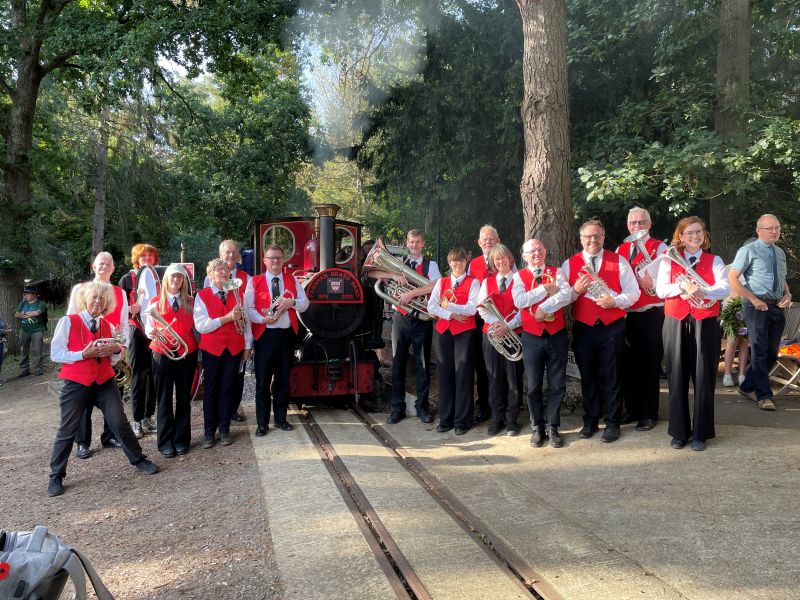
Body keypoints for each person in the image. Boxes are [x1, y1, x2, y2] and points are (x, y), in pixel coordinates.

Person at [47, 281, 158, 497]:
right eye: (94, 297)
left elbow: (115, 358)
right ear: (85, 300)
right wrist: (82, 354)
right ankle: (56, 476)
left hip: (104, 380)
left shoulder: (107, 325)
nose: (98, 302)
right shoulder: (68, 321)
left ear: (107, 304)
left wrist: (115, 350)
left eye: (102, 299)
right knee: (67, 429)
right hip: (76, 382)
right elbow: (55, 353)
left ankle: (139, 460)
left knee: (119, 422)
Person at [656, 216, 730, 451]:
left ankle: (701, 433)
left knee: (704, 378)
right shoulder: (668, 260)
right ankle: (679, 432)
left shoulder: (714, 260)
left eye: (698, 232)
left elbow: (724, 288)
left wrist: (701, 290)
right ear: (681, 236)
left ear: (704, 235)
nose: (695, 236)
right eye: (689, 233)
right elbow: (660, 290)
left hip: (704, 322)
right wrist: (682, 286)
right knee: (676, 376)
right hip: (675, 321)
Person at [565, 219, 640, 443]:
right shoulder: (569, 264)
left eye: (597, 235)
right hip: (584, 328)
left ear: (603, 237)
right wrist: (574, 291)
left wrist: (615, 301)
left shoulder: (619, 261)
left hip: (612, 327)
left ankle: (613, 423)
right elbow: (562, 298)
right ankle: (590, 420)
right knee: (587, 376)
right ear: (581, 239)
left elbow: (634, 293)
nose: (593, 240)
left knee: (612, 376)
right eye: (588, 236)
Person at [372, 230, 441, 425]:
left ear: (423, 243)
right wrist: (393, 275)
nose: (414, 245)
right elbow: (371, 272)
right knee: (398, 364)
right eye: (411, 242)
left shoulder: (431, 265)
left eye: (418, 242)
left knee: (422, 365)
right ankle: (397, 408)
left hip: (422, 318)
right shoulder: (398, 262)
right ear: (407, 243)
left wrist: (412, 293)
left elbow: (437, 285)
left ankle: (422, 407)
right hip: (401, 318)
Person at [728, 214, 792, 411]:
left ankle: (747, 386)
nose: (774, 231)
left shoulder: (780, 252)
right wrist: (753, 299)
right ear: (758, 231)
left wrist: (788, 293)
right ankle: (764, 395)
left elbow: (781, 277)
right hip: (756, 306)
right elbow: (733, 278)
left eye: (777, 228)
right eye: (769, 228)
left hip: (776, 306)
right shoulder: (748, 250)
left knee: (772, 353)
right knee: (760, 351)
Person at [69, 252, 129, 458]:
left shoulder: (120, 293)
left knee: (114, 398)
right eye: (101, 263)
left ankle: (110, 436)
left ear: (113, 268)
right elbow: (71, 319)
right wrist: (78, 351)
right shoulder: (80, 289)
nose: (104, 267)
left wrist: (121, 348)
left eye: (108, 264)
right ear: (94, 267)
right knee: (83, 399)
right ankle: (82, 442)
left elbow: (124, 324)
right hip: (86, 351)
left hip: (111, 352)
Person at [513, 239, 572, 448]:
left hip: (556, 335)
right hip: (532, 336)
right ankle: (537, 427)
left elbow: (567, 295)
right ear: (524, 256)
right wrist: (545, 288)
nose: (536, 253)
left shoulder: (557, 272)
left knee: (557, 384)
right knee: (533, 386)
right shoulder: (518, 276)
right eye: (531, 251)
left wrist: (544, 306)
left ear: (545, 251)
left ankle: (552, 427)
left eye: (539, 249)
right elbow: (519, 301)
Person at [245, 244, 309, 435]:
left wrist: (291, 302)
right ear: (265, 261)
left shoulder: (292, 279)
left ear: (283, 261)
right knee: (262, 382)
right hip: (265, 336)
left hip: (286, 336)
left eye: (279, 258)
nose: (275, 261)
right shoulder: (254, 281)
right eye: (271, 258)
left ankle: (281, 419)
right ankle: (262, 423)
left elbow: (305, 304)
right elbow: (249, 310)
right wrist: (262, 319)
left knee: (283, 380)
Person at [615, 207, 668, 432]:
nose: (637, 226)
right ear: (628, 226)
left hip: (651, 313)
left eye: (641, 222)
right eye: (633, 223)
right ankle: (633, 409)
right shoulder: (621, 249)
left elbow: (667, 279)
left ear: (650, 223)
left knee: (649, 365)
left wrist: (651, 284)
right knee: (628, 365)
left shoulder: (660, 247)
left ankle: (648, 413)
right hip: (627, 314)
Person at [194, 258, 252, 448]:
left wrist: (248, 346)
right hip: (212, 349)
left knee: (228, 389)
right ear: (210, 274)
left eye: (226, 269)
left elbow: (246, 322)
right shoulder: (202, 295)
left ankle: (225, 429)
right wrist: (226, 318)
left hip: (234, 348)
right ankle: (209, 433)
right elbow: (201, 326)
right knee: (211, 390)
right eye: (219, 270)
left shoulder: (238, 293)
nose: (224, 272)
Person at [144, 265, 198, 457]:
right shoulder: (155, 302)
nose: (176, 280)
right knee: (164, 398)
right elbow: (148, 327)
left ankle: (182, 439)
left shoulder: (191, 301)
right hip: (162, 352)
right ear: (166, 279)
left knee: (183, 397)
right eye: (173, 277)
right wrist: (150, 332)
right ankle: (165, 441)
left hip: (187, 352)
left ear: (183, 281)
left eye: (180, 277)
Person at [427, 247, 479, 435]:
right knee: (445, 375)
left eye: (461, 260)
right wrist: (450, 314)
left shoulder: (474, 282)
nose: (458, 263)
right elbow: (431, 307)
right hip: (444, 333)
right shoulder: (442, 282)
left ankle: (462, 422)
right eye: (454, 260)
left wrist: (449, 305)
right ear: (449, 263)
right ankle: (446, 419)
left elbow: (473, 308)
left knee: (463, 375)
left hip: (465, 334)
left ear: (466, 262)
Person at [477, 244, 524, 436]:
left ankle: (512, 419)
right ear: (493, 263)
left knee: (513, 378)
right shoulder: (486, 282)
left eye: (504, 258)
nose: (500, 261)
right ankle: (497, 418)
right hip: (492, 335)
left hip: (514, 334)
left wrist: (508, 326)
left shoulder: (520, 279)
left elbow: (523, 309)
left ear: (510, 260)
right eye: (496, 259)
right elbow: (481, 308)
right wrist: (498, 324)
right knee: (494, 376)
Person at [204, 239, 251, 423]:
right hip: (217, 337)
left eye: (233, 252)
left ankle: (232, 409)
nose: (230, 255)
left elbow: (248, 311)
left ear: (238, 255)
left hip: (237, 336)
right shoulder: (210, 278)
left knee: (238, 375)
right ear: (220, 255)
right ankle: (218, 414)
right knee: (217, 380)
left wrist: (248, 343)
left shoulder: (246, 278)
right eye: (226, 252)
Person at [118, 243, 160, 438]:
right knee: (138, 375)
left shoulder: (159, 277)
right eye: (143, 256)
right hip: (136, 330)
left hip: (156, 330)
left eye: (150, 255)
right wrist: (129, 309)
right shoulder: (126, 279)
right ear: (136, 259)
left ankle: (148, 417)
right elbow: (117, 307)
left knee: (154, 374)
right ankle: (136, 420)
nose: (147, 258)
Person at [466, 225, 500, 423]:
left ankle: (503, 405)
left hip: (502, 318)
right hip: (479, 320)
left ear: (498, 240)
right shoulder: (473, 264)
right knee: (481, 364)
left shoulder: (505, 259)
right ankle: (484, 405)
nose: (488, 242)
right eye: (484, 239)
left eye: (491, 238)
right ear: (479, 243)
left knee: (502, 363)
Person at [15, 285, 47, 377]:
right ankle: (24, 370)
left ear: (34, 294)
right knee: (24, 350)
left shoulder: (40, 303)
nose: (25, 296)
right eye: (25, 294)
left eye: (27, 294)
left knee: (37, 350)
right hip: (24, 330)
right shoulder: (23, 303)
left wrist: (24, 313)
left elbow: (37, 313)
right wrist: (30, 314)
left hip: (37, 330)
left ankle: (38, 369)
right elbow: (17, 314)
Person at [720, 291, 749, 387]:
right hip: (732, 305)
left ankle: (742, 375)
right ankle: (727, 374)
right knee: (732, 341)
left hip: (748, 305)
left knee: (743, 341)